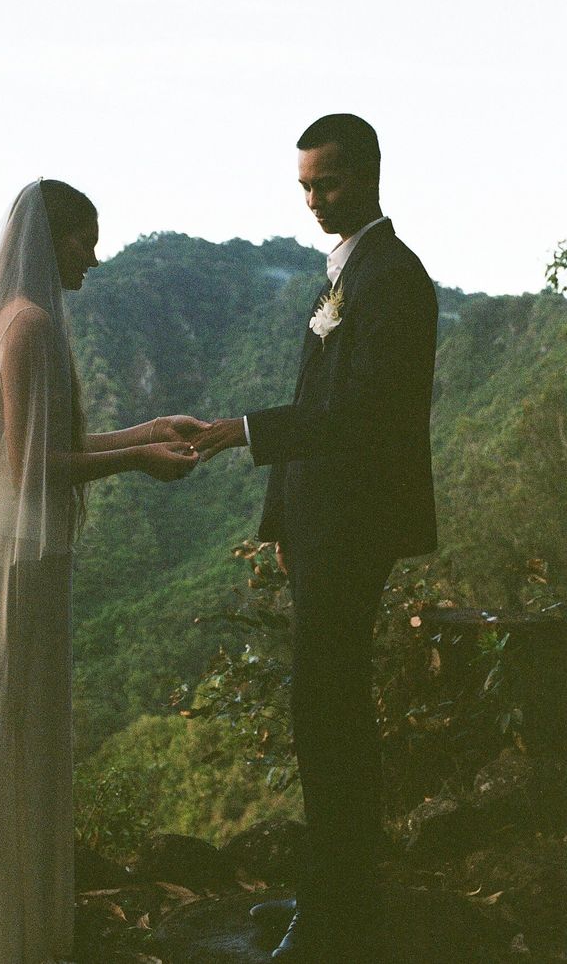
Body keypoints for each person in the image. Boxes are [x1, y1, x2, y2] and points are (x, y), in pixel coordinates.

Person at [0, 179, 200, 964]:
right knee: (7, 728)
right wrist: (142, 462)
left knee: (8, 725)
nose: (92, 258)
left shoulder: (16, 319)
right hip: (18, 559)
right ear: (50, 238)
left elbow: (32, 449)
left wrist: (150, 428)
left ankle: (1, 922)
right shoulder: (26, 325)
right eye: (82, 240)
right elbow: (29, 470)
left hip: (19, 552)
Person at [192, 114, 438, 962]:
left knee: (329, 712)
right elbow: (316, 393)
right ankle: (328, 887)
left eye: (324, 183)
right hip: (319, 526)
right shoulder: (346, 274)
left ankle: (341, 906)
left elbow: (363, 415)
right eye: (302, 184)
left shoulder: (393, 278)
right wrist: (278, 526)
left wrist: (241, 429)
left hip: (356, 526)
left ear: (368, 172)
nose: (310, 199)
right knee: (319, 707)